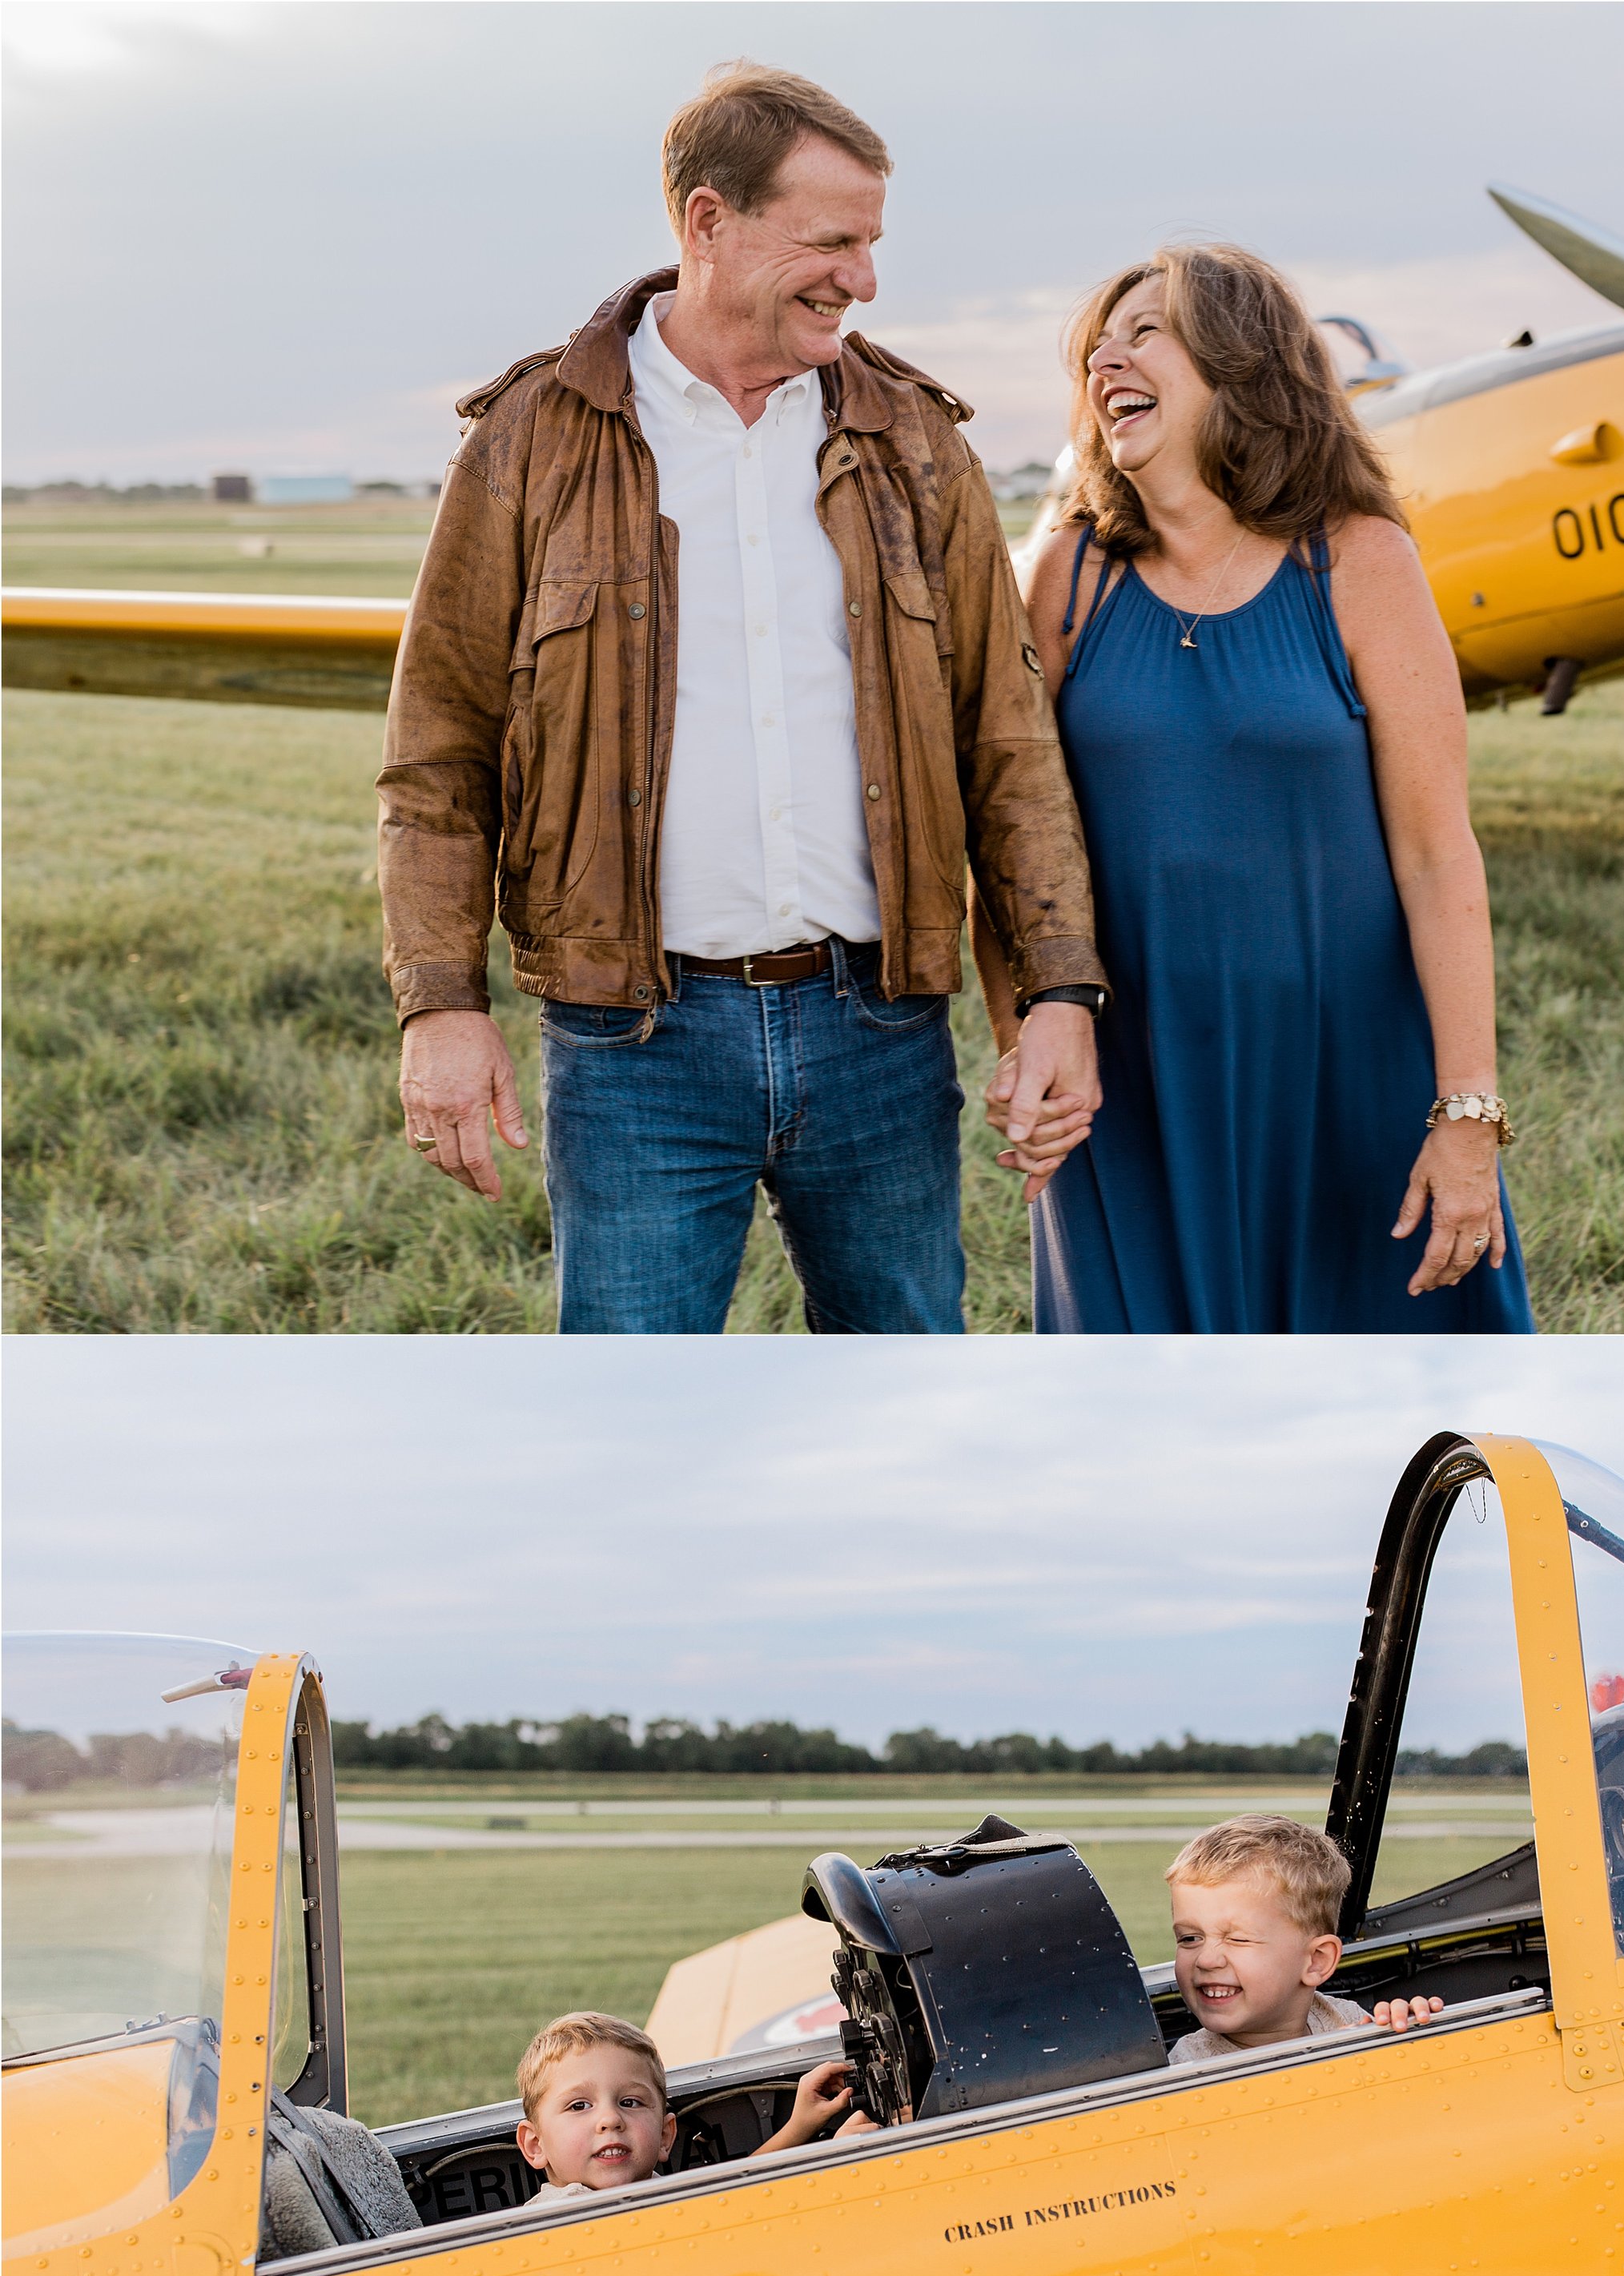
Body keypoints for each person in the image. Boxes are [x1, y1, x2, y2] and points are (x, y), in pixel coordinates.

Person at [380, 62, 1105, 1333]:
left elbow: (1007, 738)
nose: (863, 279)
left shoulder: (918, 441)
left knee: (905, 1400)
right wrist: (442, 1005)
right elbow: (439, 753)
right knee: (634, 1418)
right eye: (832, 241)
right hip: (633, 1051)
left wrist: (1055, 992)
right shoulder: (530, 439)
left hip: (879, 1027)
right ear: (707, 223)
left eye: (872, 243)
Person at [992, 244, 1536, 1334]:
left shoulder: (1362, 561)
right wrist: (1028, 1045)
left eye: (1149, 330)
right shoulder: (1069, 575)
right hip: (1133, 1088)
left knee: (1395, 1409)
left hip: (1350, 1082)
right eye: (1100, 338)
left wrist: (1467, 1113)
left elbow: (1438, 857)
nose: (1108, 353)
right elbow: (1013, 840)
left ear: (1243, 367)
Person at [1164, 1816, 1444, 2063]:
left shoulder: (1346, 2018)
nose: (1206, 1959)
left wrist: (1407, 2031)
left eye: (1237, 1939)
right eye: (1189, 1938)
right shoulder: (1187, 2068)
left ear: (1316, 1961)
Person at [513, 2012, 862, 2203]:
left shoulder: (642, 2193)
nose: (610, 2120)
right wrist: (832, 2160)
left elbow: (724, 2191)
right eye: (579, 2106)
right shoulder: (558, 2220)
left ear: (666, 2136)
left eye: (630, 2102)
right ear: (535, 2145)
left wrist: (799, 2125)